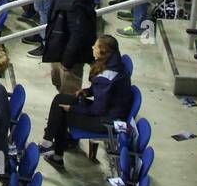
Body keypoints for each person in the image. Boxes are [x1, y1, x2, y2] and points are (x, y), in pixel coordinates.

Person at [41, 35, 133, 167]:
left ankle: (54, 152)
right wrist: (87, 91)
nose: (92, 48)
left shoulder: (106, 77)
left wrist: (72, 109)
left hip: (106, 121)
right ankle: (49, 144)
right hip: (109, 111)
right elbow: (105, 93)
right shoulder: (114, 64)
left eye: (95, 46)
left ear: (102, 51)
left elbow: (97, 110)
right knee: (59, 99)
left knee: (62, 113)